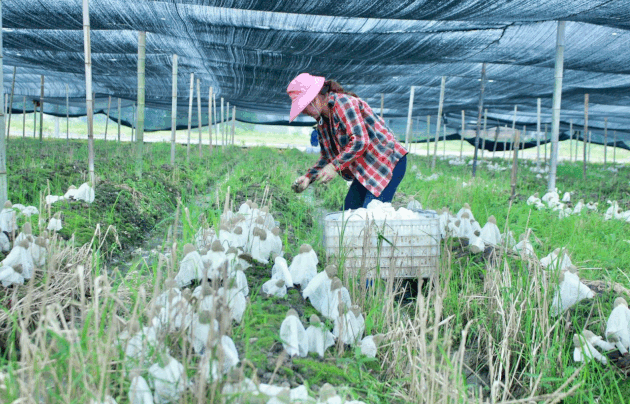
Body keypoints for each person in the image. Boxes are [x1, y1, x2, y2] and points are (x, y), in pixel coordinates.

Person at [287, 73, 408, 210]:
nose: (304, 112)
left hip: (386, 162)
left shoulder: (344, 104)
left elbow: (360, 141)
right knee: (347, 213)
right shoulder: (323, 122)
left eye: (304, 108)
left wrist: (334, 167)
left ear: (314, 100)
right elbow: (328, 157)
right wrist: (308, 177)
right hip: (365, 168)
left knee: (371, 216)